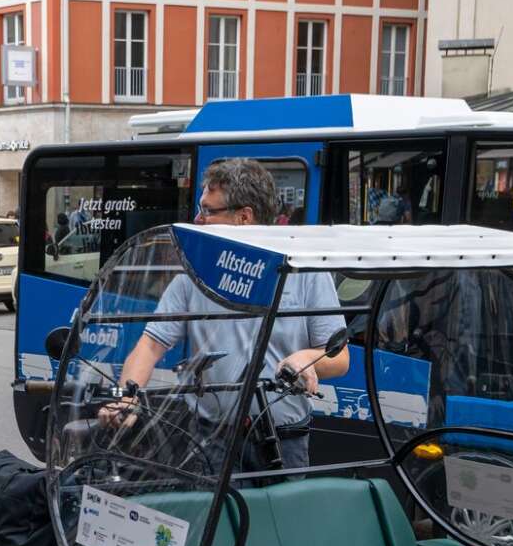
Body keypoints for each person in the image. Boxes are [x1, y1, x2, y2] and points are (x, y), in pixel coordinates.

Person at [100, 157, 350, 470]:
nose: (197, 218)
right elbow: (150, 345)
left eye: (207, 210)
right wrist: (127, 397)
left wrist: (306, 359)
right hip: (210, 439)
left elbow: (340, 358)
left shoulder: (304, 270)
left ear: (245, 217)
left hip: (283, 441)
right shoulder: (195, 274)